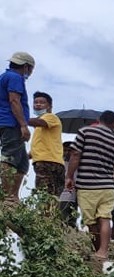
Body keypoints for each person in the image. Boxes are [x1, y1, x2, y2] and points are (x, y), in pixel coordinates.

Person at [65, 110, 114, 261]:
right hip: (107, 187)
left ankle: (97, 251)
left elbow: (75, 155)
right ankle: (103, 251)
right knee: (105, 219)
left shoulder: (84, 132)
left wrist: (69, 176)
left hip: (87, 186)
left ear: (99, 119)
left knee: (92, 222)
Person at [1, 52, 35, 201]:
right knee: (9, 158)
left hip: (8, 122)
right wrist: (23, 125)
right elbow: (14, 101)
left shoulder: (5, 76)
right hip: (11, 123)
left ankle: (13, 197)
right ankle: (5, 196)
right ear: (26, 67)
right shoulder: (15, 77)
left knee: (22, 162)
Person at [27, 91, 64, 201]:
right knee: (51, 196)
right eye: (35, 102)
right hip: (48, 161)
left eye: (42, 102)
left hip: (47, 162)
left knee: (45, 196)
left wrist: (19, 117)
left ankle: (47, 217)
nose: (38, 104)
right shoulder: (39, 127)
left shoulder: (50, 117)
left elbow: (40, 122)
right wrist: (27, 155)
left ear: (49, 106)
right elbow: (40, 146)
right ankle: (51, 216)